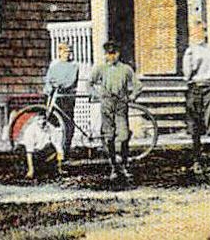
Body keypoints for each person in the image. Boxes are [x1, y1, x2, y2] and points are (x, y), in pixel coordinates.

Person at [87, 39, 141, 183]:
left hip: (121, 104)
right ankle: (113, 167)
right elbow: (89, 84)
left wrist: (133, 96)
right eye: (108, 54)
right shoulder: (100, 68)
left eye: (114, 53)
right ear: (105, 54)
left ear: (118, 54)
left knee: (123, 135)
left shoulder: (125, 69)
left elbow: (137, 85)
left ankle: (124, 164)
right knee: (109, 136)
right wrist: (97, 95)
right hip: (106, 104)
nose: (111, 56)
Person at [182, 17, 210, 175]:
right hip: (195, 90)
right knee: (195, 128)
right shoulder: (190, 52)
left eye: (201, 31)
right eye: (195, 32)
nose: (198, 35)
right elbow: (187, 74)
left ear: (205, 33)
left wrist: (197, 70)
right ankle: (197, 162)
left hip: (208, 89)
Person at [43, 41, 80, 167]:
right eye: (64, 52)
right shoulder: (54, 65)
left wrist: (58, 83)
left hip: (67, 97)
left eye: (69, 52)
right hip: (54, 97)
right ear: (59, 52)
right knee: (52, 123)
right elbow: (49, 80)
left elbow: (70, 81)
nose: (67, 54)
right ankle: (52, 150)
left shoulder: (74, 65)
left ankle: (65, 150)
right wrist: (49, 88)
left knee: (67, 123)